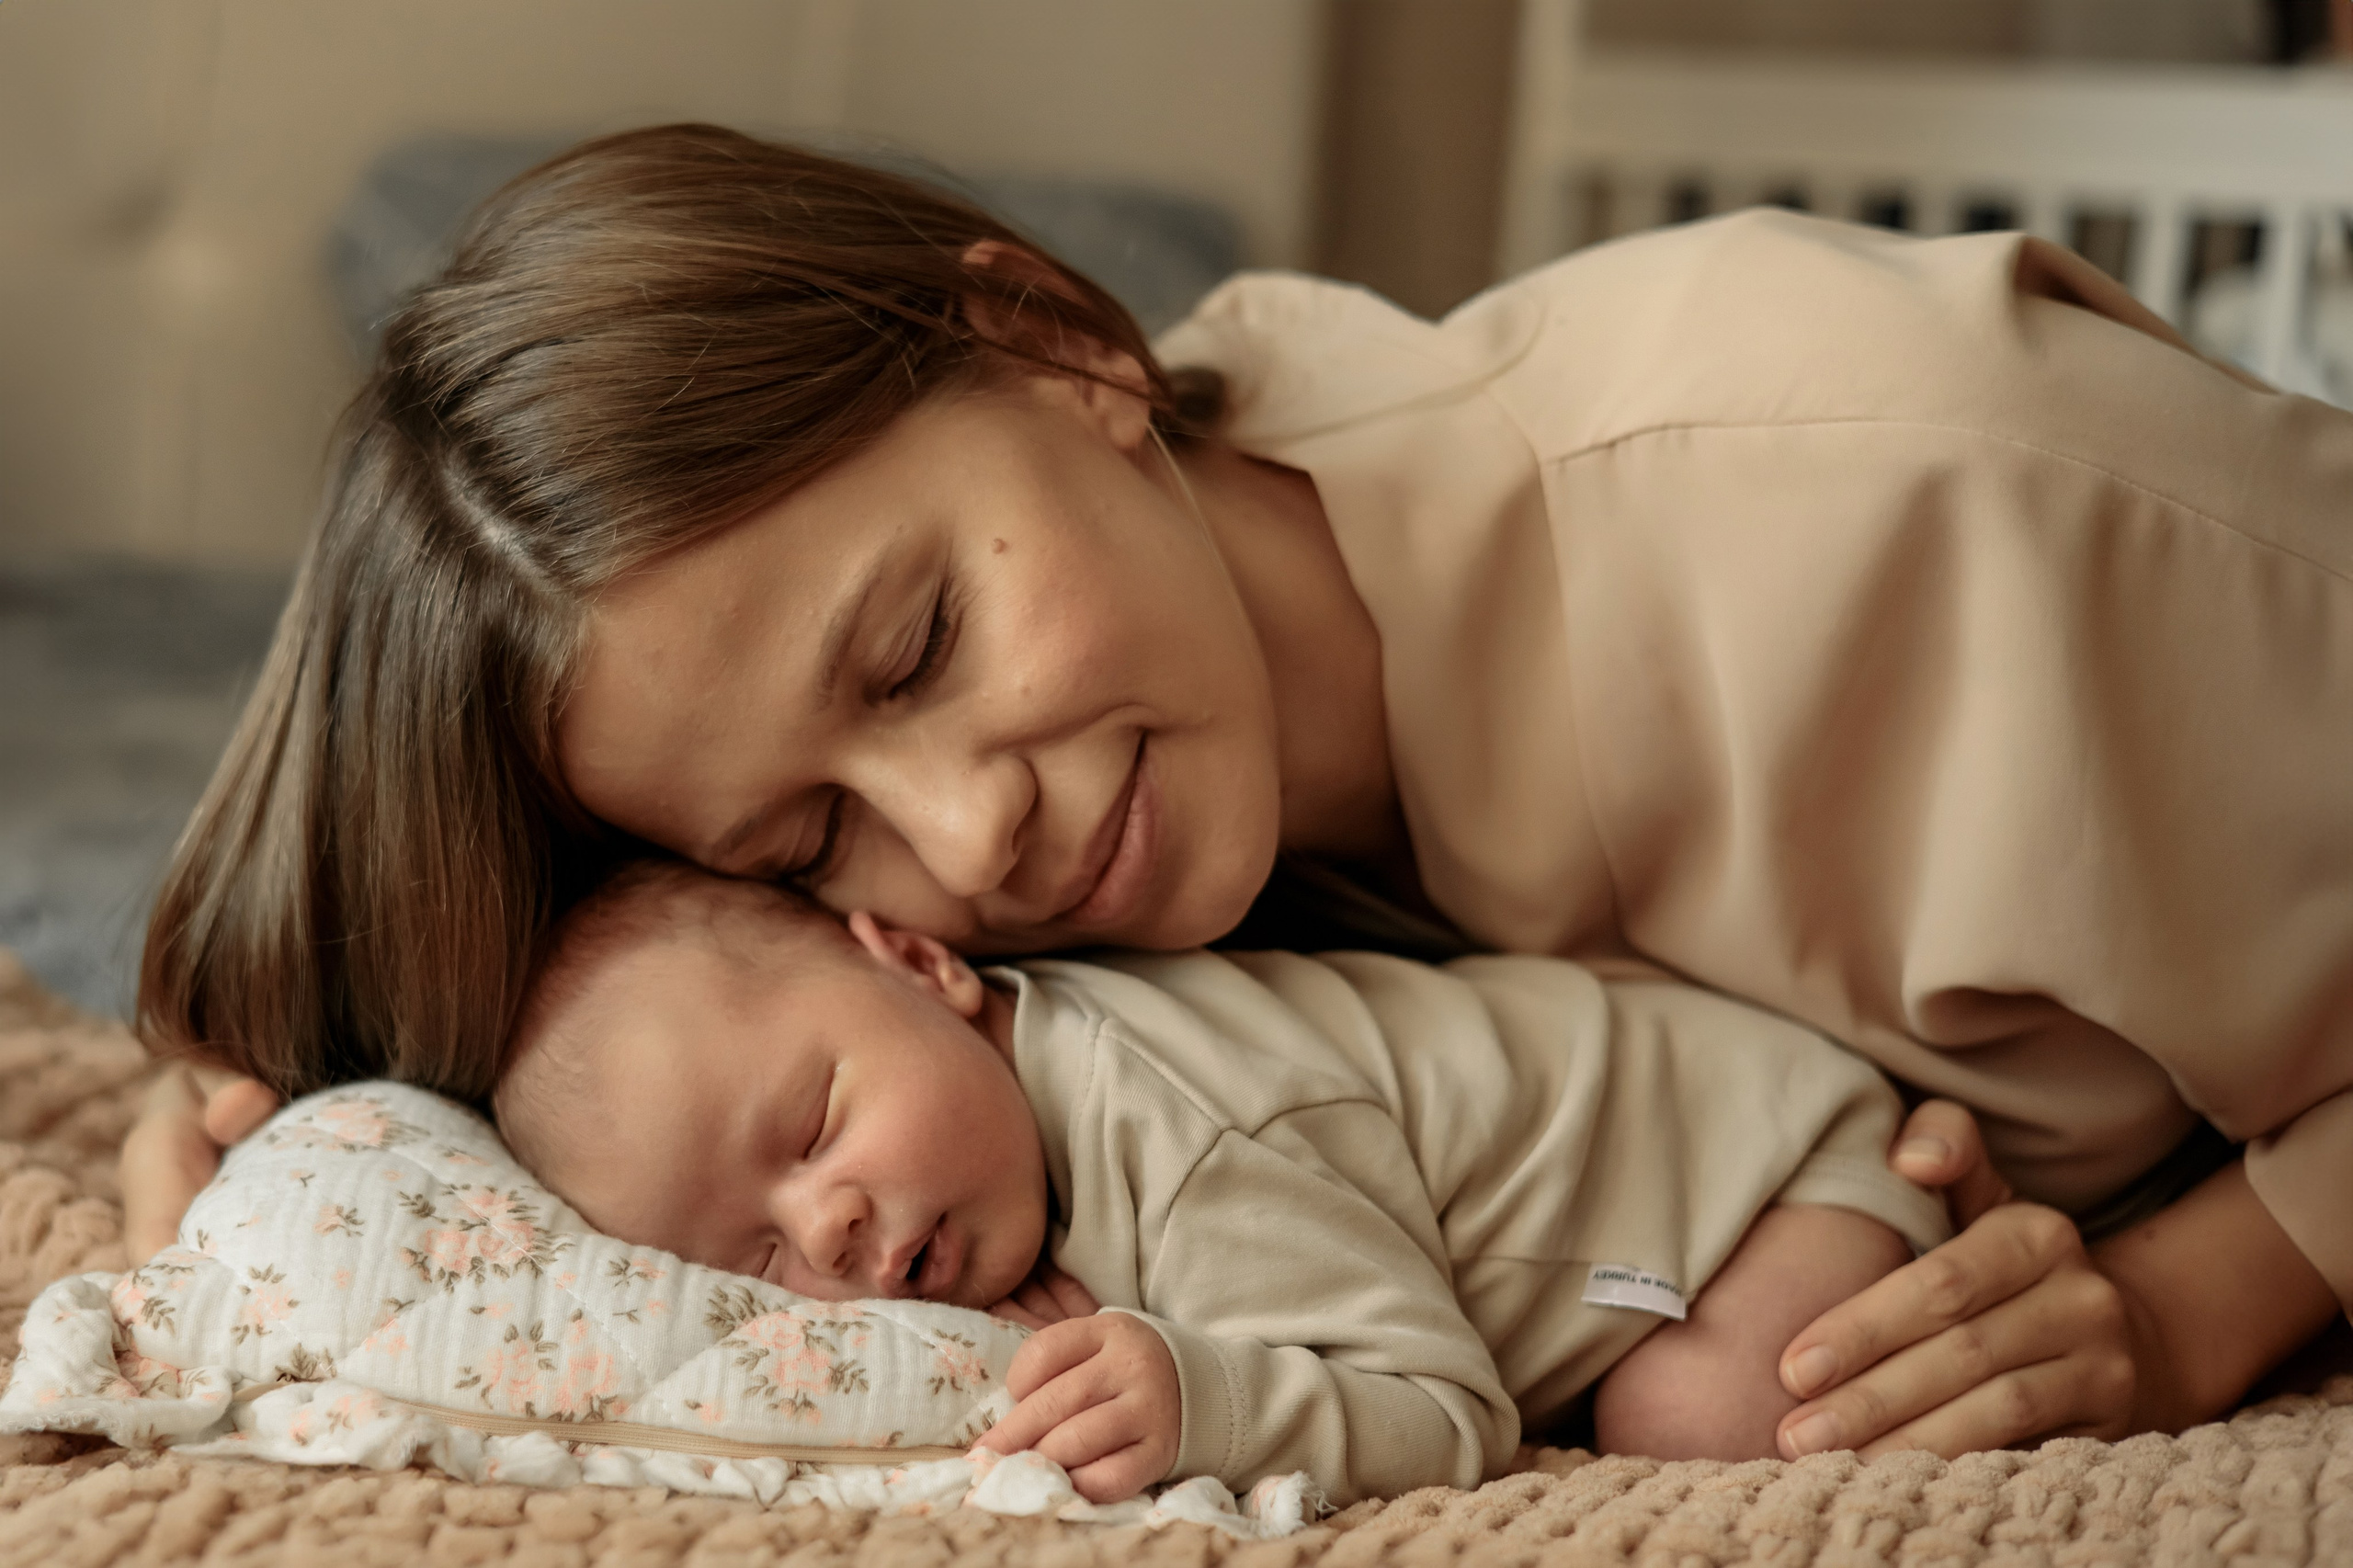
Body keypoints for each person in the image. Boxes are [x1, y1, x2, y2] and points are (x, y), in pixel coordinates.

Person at [120, 123, 2350, 1468]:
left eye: (913, 649)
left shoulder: (1938, 501)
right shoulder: (1015, 869)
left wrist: (2197, 1297)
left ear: (1069, 351)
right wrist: (291, 1157)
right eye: (808, 847)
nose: (965, 845)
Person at [490, 859, 1949, 1503]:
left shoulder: (1189, 1136)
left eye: (814, 1122)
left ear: (924, 963)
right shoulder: (993, 1113)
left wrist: (1209, 1397)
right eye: (754, 1262)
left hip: (1766, 1164)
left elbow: (1448, 1417)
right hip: (1641, 1154)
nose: (830, 1227)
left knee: (1694, 1419)